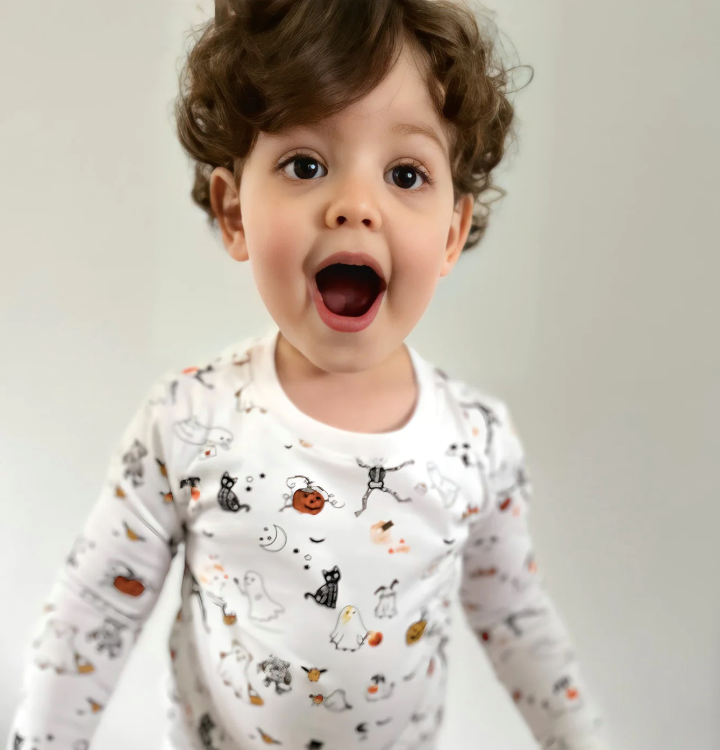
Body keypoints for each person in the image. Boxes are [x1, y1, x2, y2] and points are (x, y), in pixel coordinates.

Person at [5, 1, 611, 749]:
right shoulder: (188, 420)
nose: (355, 206)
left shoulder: (476, 443)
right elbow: (94, 611)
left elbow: (518, 621)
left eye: (405, 173)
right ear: (234, 212)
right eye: (306, 165)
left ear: (452, 234)